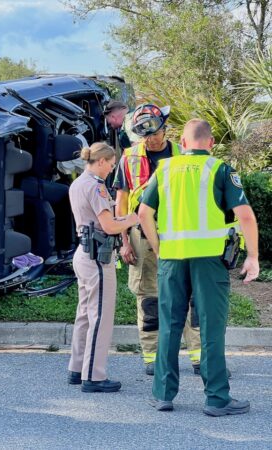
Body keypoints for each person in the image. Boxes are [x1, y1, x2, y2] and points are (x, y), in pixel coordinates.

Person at [139, 119, 259, 416]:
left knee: (169, 324)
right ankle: (217, 399)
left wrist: (158, 248)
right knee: (211, 327)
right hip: (209, 260)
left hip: (171, 259)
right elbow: (244, 214)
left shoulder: (164, 169)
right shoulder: (221, 169)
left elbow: (143, 213)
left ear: (182, 140)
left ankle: (163, 394)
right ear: (211, 141)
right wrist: (253, 256)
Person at [113, 103, 202, 376]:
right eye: (144, 134)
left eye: (155, 132)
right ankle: (152, 358)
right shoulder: (128, 159)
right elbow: (122, 203)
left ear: (164, 128)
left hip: (180, 235)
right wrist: (124, 242)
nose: (151, 138)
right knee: (149, 298)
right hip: (141, 237)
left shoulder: (182, 155)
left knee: (190, 296)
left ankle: (199, 357)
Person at [67, 142, 138, 393]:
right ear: (100, 161)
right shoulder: (96, 187)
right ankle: (94, 376)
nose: (111, 168)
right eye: (110, 163)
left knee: (85, 314)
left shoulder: (78, 183)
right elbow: (108, 227)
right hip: (97, 256)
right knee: (100, 318)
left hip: (84, 253)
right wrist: (132, 219)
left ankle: (77, 369)